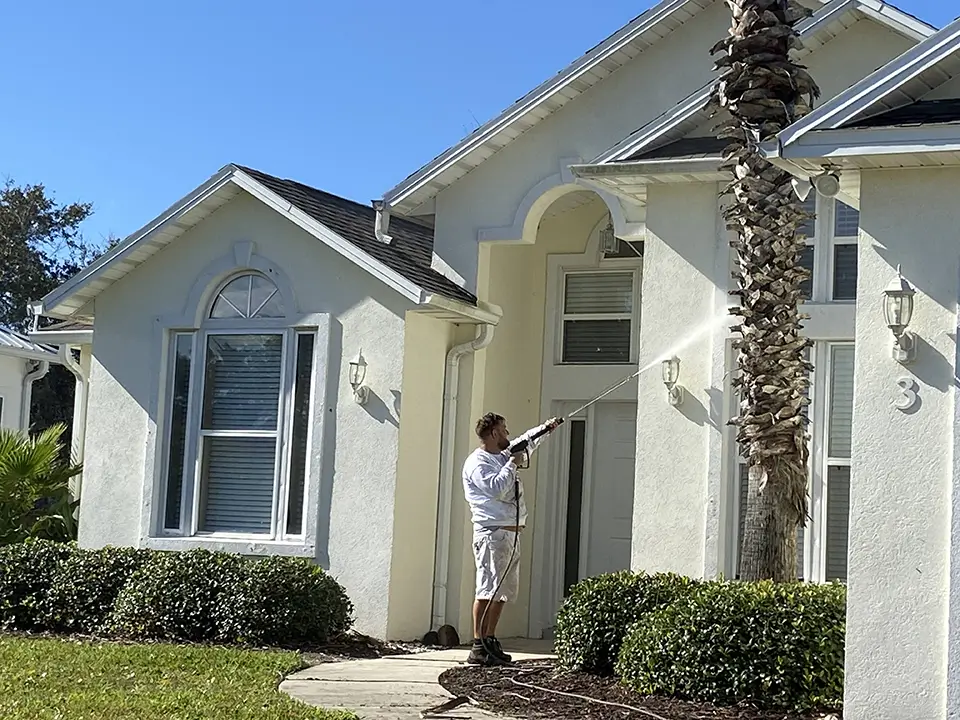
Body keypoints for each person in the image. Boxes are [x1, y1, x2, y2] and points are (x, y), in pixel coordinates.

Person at [461, 412, 561, 666]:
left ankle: (490, 638)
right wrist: (512, 465)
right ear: (493, 433)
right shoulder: (478, 463)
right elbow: (495, 488)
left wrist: (547, 428)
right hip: (491, 535)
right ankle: (478, 645)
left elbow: (527, 441)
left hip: (510, 534)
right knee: (487, 588)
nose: (508, 434)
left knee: (502, 591)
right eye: (504, 430)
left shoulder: (504, 455)